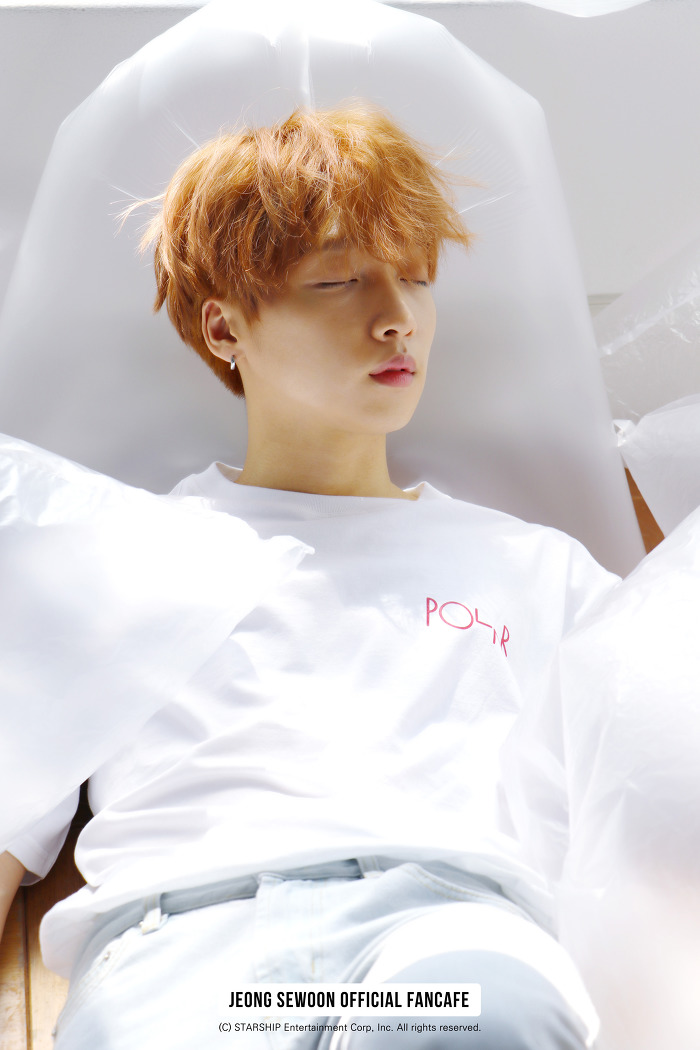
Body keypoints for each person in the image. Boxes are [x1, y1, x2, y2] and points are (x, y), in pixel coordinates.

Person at [0, 105, 616, 1049]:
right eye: (338, 280)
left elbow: (652, 806)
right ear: (224, 326)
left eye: (416, 278)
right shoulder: (116, 559)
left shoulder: (538, 570)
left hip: (444, 934)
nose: (397, 316)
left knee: (484, 1021)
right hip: (191, 955)